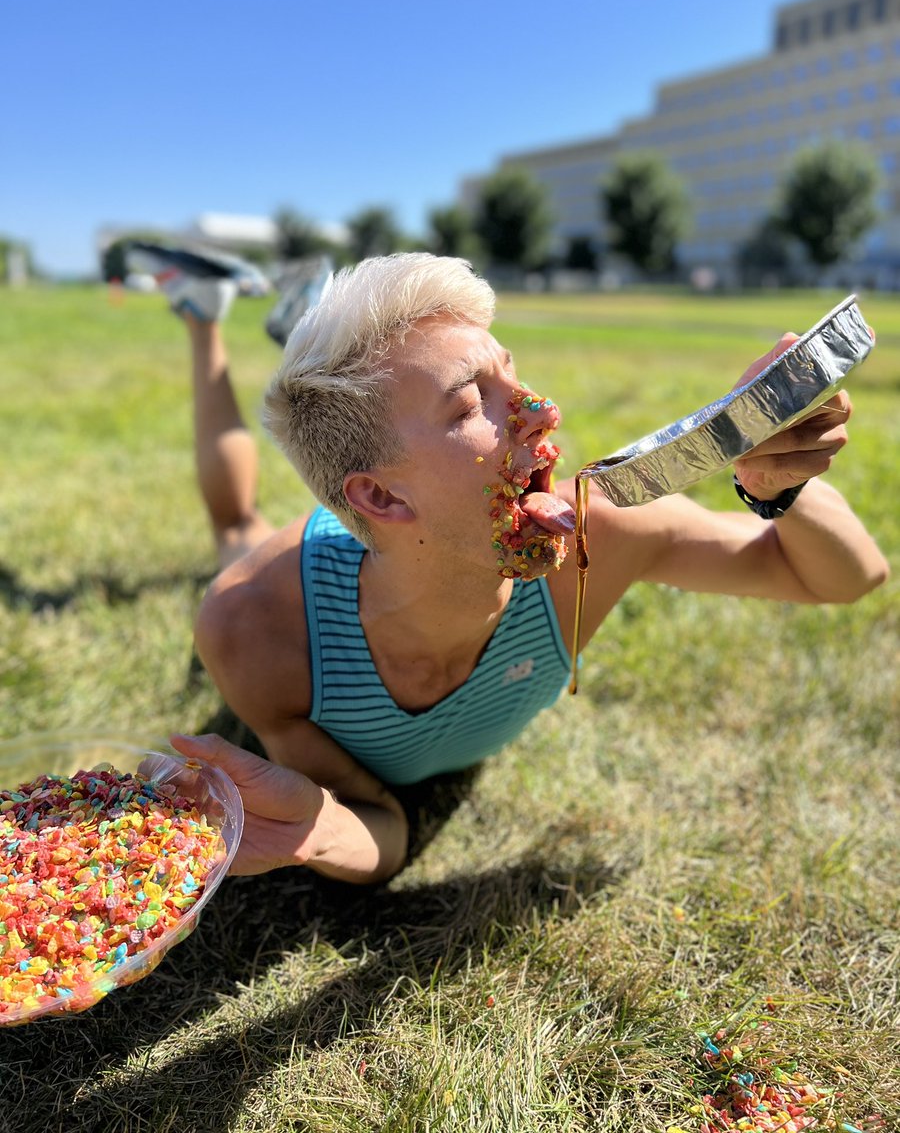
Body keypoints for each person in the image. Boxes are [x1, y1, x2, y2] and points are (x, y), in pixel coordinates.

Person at [136, 249, 888, 886]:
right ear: (380, 495)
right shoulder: (253, 626)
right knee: (239, 528)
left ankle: (308, 323)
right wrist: (316, 827)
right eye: (472, 403)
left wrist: (779, 489)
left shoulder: (601, 533)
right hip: (302, 566)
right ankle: (205, 314)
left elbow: (846, 578)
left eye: (512, 372)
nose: (541, 408)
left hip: (378, 517)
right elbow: (379, 826)